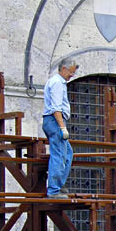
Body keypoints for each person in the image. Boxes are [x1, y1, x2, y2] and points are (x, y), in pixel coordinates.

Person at [42, 58, 79, 199]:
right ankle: (53, 190)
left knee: (67, 153)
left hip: (53, 121)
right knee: (59, 155)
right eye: (71, 72)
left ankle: (59, 185)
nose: (71, 75)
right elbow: (56, 108)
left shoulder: (58, 82)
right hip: (55, 121)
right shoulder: (57, 83)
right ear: (64, 68)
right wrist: (62, 127)